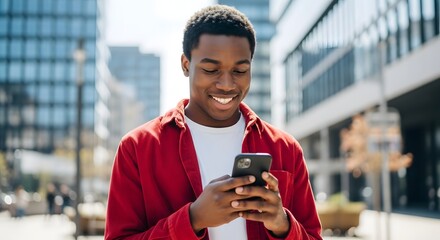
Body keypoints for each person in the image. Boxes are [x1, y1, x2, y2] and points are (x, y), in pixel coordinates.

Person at [105, 5, 322, 240]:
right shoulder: (137, 147)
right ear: (186, 65)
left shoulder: (285, 148)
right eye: (211, 69)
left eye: (240, 71)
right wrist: (193, 219)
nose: (227, 84)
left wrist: (283, 225)